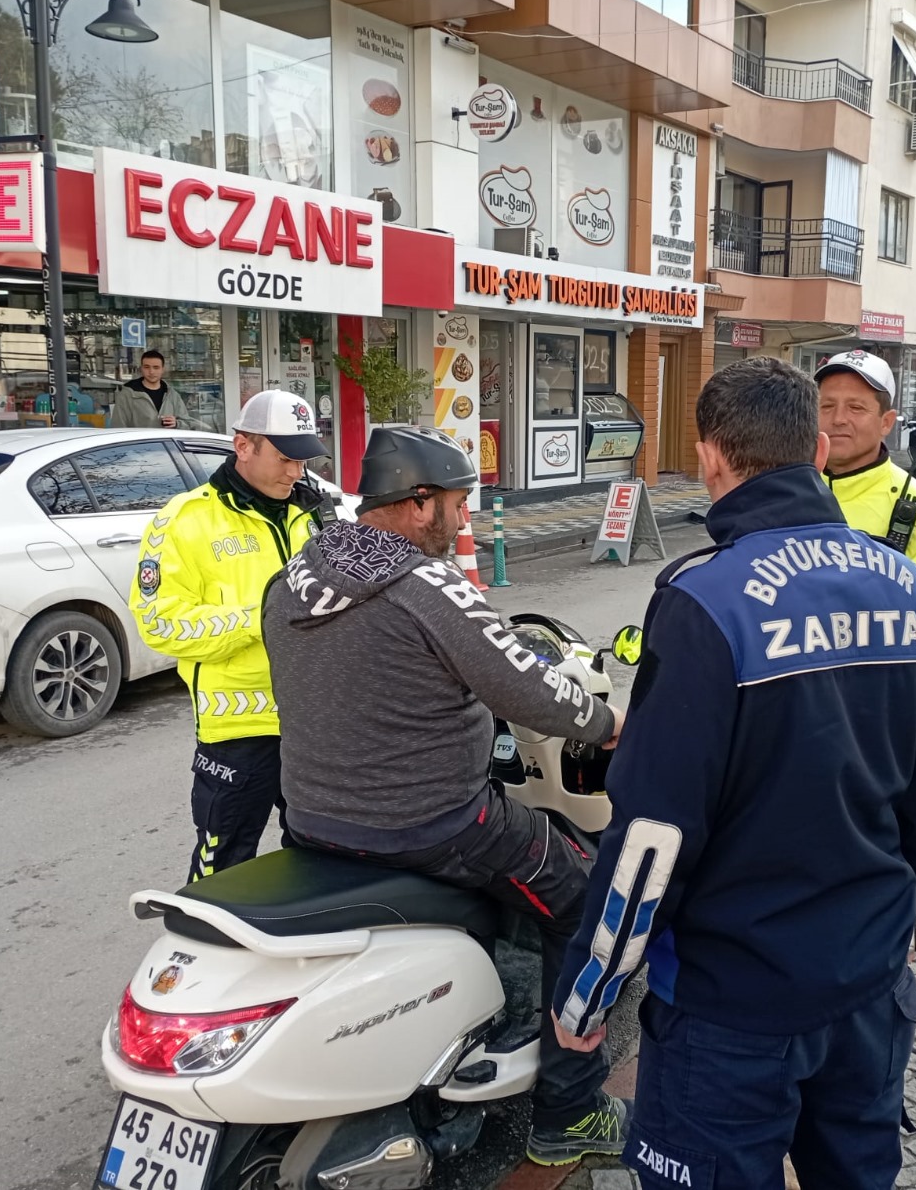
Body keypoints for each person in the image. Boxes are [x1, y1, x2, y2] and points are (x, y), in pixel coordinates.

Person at [551, 357, 916, 1189]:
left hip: (732, 1006)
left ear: (710, 457)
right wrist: (896, 927)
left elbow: (654, 837)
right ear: (814, 446)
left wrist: (587, 997)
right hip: (868, 986)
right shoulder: (913, 590)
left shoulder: (706, 600)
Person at [261, 426, 630, 1167]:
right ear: (419, 500)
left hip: (311, 819)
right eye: (458, 505)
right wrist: (610, 723)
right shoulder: (426, 587)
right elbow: (530, 690)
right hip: (433, 823)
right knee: (586, 906)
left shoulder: (300, 571)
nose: (463, 522)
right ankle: (569, 1111)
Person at [128, 389, 327, 882]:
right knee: (224, 865)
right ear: (243, 445)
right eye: (284, 459)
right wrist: (262, 616)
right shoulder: (184, 521)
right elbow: (159, 622)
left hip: (317, 723)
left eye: (303, 460)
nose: (295, 473)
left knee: (319, 855)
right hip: (239, 731)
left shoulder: (318, 513)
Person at [813, 350, 916, 679]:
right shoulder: (787, 490)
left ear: (886, 422)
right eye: (826, 406)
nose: (838, 419)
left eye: (856, 407)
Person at [110, 350, 197, 430]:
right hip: (140, 446)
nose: (151, 372)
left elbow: (188, 423)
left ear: (162, 369)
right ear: (141, 369)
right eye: (147, 367)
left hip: (167, 446)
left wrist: (177, 424)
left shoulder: (172, 395)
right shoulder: (127, 395)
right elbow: (118, 427)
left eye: (156, 367)